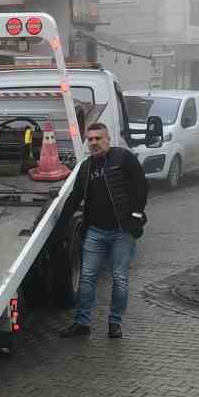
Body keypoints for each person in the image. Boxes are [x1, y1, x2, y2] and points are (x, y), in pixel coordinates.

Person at [59, 122, 148, 339]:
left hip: (122, 231)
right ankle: (82, 323)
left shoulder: (123, 158)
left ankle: (115, 323)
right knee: (87, 276)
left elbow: (141, 186)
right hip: (95, 232)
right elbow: (75, 197)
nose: (94, 143)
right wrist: (61, 224)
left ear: (108, 139)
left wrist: (136, 216)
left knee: (119, 278)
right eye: (90, 139)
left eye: (98, 138)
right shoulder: (86, 167)